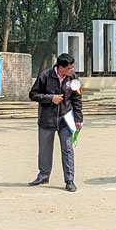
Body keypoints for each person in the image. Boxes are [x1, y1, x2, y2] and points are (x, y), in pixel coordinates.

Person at [28, 53, 82, 192]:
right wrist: (50, 98)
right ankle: (43, 175)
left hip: (66, 120)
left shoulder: (73, 78)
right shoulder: (45, 76)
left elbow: (77, 99)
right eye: (69, 68)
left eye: (72, 67)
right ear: (60, 68)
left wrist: (78, 119)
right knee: (44, 150)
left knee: (68, 149)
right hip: (47, 119)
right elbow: (33, 94)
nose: (72, 70)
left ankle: (69, 180)